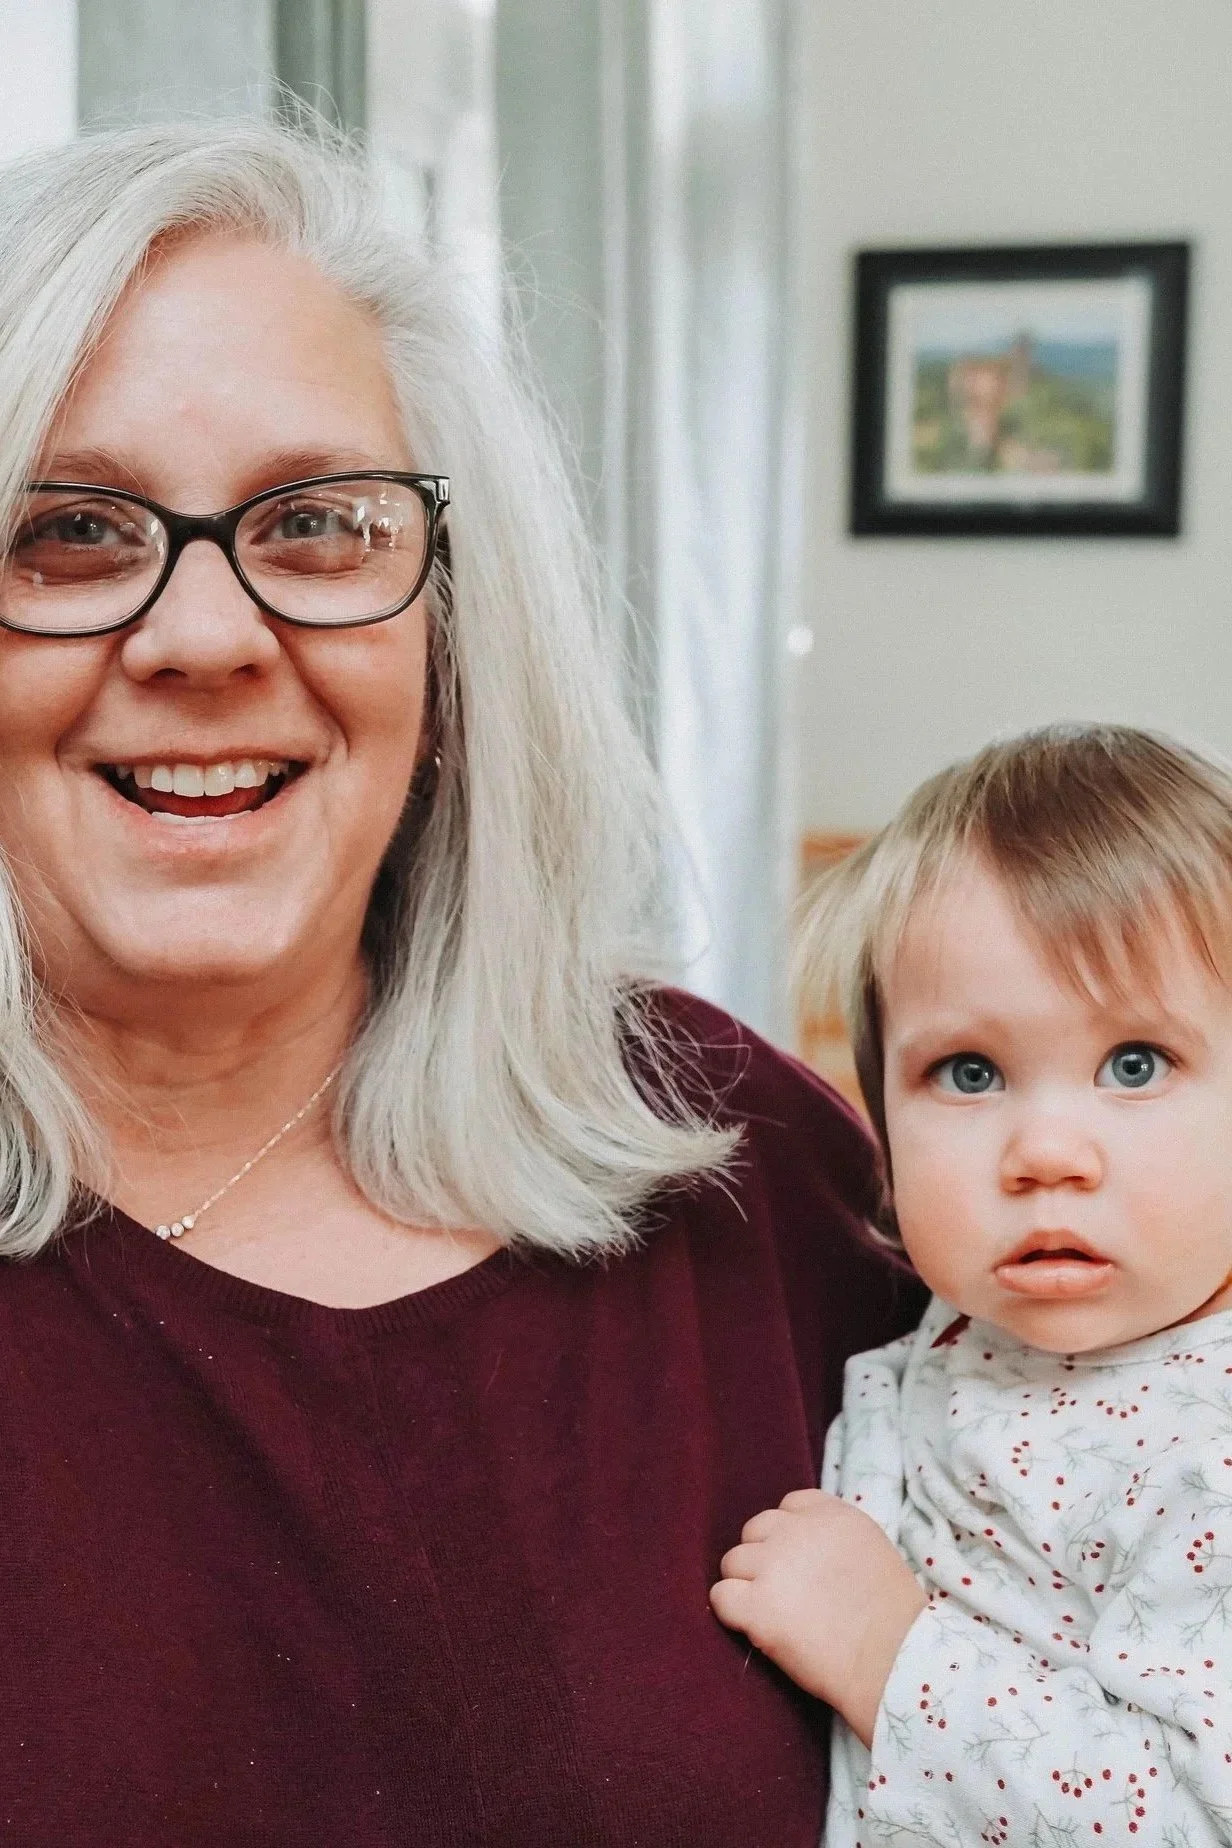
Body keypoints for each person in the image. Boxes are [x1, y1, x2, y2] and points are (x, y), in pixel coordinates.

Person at [0, 119, 921, 1845]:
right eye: (67, 532)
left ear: (452, 626)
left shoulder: (749, 1171)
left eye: (318, 524)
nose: (204, 637)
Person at [711, 723, 1232, 1846]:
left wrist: (884, 1655)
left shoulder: (1210, 1447)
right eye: (968, 1072)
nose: (1044, 1152)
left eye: (1134, 1064)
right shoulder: (944, 1329)